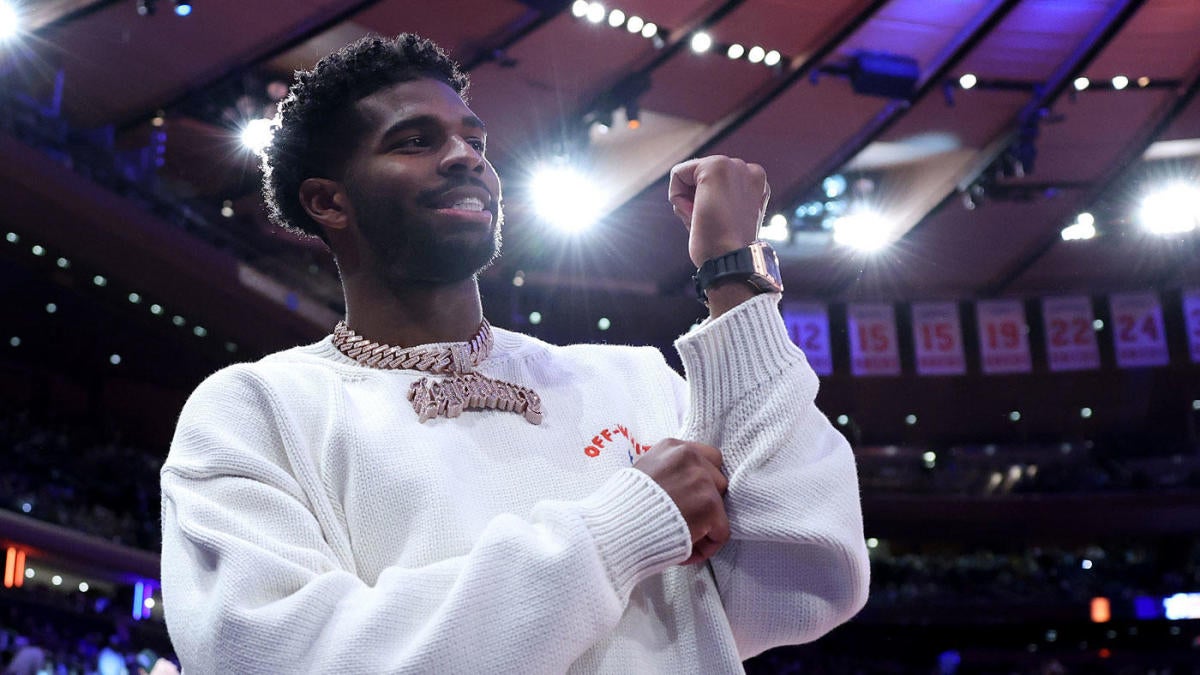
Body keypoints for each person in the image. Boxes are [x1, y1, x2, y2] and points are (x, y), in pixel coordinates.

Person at [159, 33, 869, 673]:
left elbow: (809, 576)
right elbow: (267, 658)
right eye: (414, 141)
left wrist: (734, 279)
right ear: (328, 201)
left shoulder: (632, 377)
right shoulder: (255, 409)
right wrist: (620, 528)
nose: (466, 156)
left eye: (475, 141)